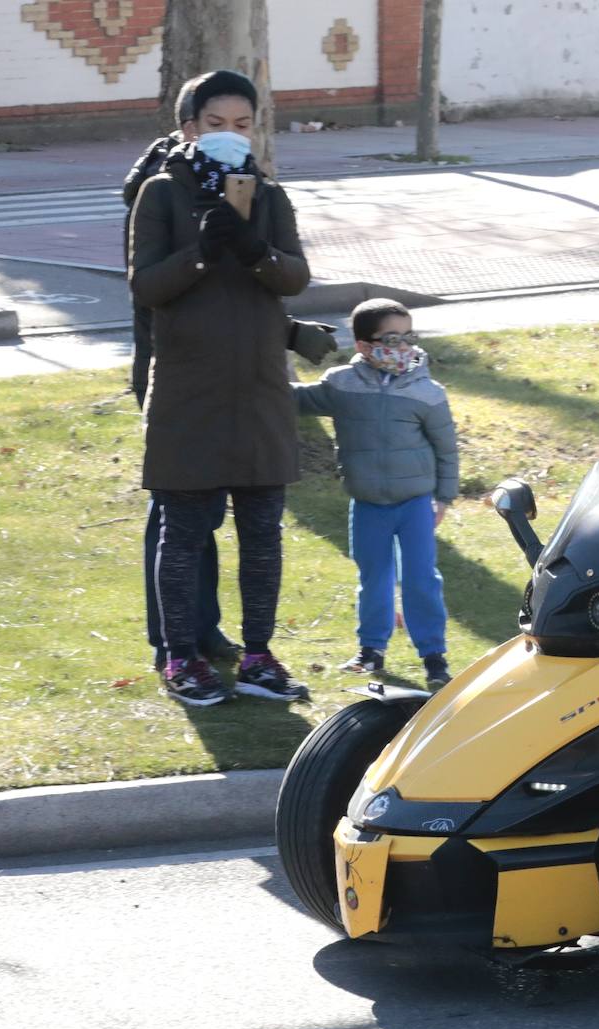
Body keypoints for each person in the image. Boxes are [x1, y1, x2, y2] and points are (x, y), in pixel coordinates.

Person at [123, 81, 339, 674]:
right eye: (216, 121)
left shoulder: (269, 196)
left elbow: (294, 276)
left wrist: (254, 250)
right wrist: (201, 252)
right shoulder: (161, 193)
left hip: (261, 393)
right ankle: (181, 657)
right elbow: (146, 287)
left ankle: (259, 653)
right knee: (185, 534)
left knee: (262, 535)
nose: (230, 133)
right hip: (189, 394)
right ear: (189, 127)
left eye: (243, 123)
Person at [292, 299, 459, 691]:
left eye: (408, 337)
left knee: (421, 578)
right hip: (367, 505)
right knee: (374, 578)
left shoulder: (427, 392)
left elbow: (447, 448)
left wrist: (444, 498)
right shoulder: (341, 385)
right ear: (364, 345)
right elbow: (294, 398)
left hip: (416, 503)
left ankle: (434, 657)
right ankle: (371, 650)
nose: (402, 347)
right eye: (391, 338)